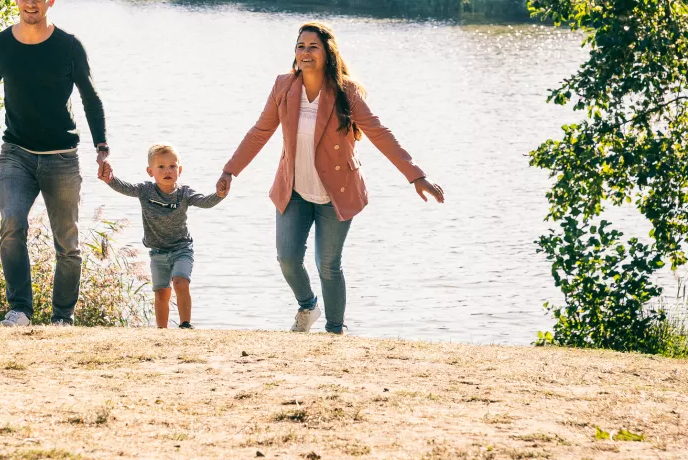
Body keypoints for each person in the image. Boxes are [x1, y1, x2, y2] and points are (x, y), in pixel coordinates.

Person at [216, 21, 445, 335]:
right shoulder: (283, 86)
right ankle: (307, 305)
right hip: (294, 190)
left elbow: (379, 133)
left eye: (313, 47)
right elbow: (260, 132)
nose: (306, 52)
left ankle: (335, 332)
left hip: (336, 192)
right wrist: (230, 170)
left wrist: (416, 176)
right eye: (301, 46)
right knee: (287, 259)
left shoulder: (345, 91)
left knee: (328, 265)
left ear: (327, 53)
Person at [0, 0, 108, 327]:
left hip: (61, 157)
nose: (30, 3)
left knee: (67, 243)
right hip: (15, 153)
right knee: (12, 225)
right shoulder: (0, 45)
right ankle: (20, 310)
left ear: (51, 0)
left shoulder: (68, 45)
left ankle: (63, 317)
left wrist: (101, 147)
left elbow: (91, 98)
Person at [100, 142, 223, 328]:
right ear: (150, 171)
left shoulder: (184, 193)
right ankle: (162, 331)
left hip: (182, 248)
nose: (168, 171)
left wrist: (220, 194)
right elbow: (125, 187)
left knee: (180, 282)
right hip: (157, 252)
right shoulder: (145, 190)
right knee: (161, 293)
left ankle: (185, 324)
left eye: (172, 166)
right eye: (161, 167)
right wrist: (109, 179)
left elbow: (205, 202)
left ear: (179, 169)